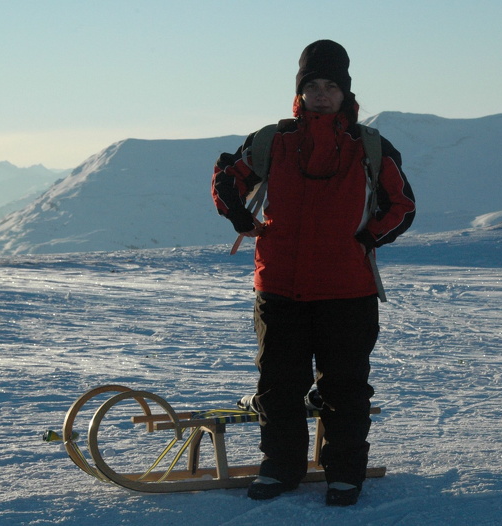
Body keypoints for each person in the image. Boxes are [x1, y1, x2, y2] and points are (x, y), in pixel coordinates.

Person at [211, 39, 416, 506]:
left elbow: (402, 205)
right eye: (312, 87)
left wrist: (366, 238)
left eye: (330, 87)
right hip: (280, 285)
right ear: (300, 93)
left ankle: (344, 473)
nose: (321, 95)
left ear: (345, 93)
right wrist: (240, 216)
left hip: (347, 289)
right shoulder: (272, 141)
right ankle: (280, 467)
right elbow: (227, 177)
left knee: (344, 385)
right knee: (279, 385)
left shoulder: (371, 147)